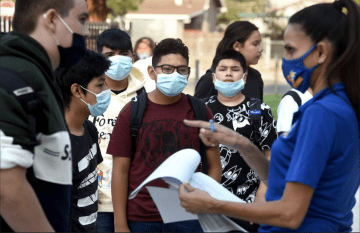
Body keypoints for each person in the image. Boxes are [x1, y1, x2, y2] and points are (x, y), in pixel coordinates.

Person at [179, 0, 360, 232]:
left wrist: (212, 204)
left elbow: (290, 214)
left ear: (321, 52)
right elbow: (281, 181)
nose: (284, 58)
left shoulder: (321, 113)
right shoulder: (340, 105)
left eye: (291, 49)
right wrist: (241, 143)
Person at [107, 38, 222, 232]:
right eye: (167, 69)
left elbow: (214, 165)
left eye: (181, 70)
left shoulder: (201, 112)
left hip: (188, 216)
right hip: (141, 218)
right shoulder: (132, 112)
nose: (174, 75)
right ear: (152, 72)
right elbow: (120, 171)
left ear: (188, 74)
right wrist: (120, 223)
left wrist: (206, 204)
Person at [0, 0, 89, 232]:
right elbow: (5, 186)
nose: (87, 32)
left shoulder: (39, 75)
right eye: (81, 20)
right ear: (51, 19)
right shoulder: (15, 74)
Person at [205, 49, 277, 231]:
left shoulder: (259, 109)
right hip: (210, 200)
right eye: (223, 69)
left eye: (235, 69)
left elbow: (271, 156)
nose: (228, 73)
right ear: (214, 77)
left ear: (244, 78)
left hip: (249, 202)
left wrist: (261, 196)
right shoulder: (202, 109)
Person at [92, 28, 146, 232]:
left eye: (123, 54)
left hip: (134, 199)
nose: (118, 60)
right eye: (109, 55)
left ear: (132, 56)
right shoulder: (87, 95)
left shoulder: (143, 97)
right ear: (99, 57)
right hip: (96, 202)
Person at [55, 50, 111, 232]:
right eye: (100, 85)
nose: (106, 92)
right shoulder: (56, 143)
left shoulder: (89, 128)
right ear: (77, 90)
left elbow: (91, 176)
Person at [194, 21, 264, 101]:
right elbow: (197, 111)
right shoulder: (210, 80)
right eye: (255, 44)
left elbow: (258, 110)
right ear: (236, 46)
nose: (260, 49)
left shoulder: (255, 77)